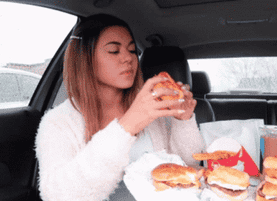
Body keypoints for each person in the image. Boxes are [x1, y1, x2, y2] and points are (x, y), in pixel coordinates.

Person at [34, 14, 205, 201]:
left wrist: (183, 121)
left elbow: (185, 167)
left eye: (132, 50)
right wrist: (127, 127)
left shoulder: (152, 107)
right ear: (85, 58)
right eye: (114, 51)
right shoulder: (58, 123)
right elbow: (58, 196)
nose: (128, 58)